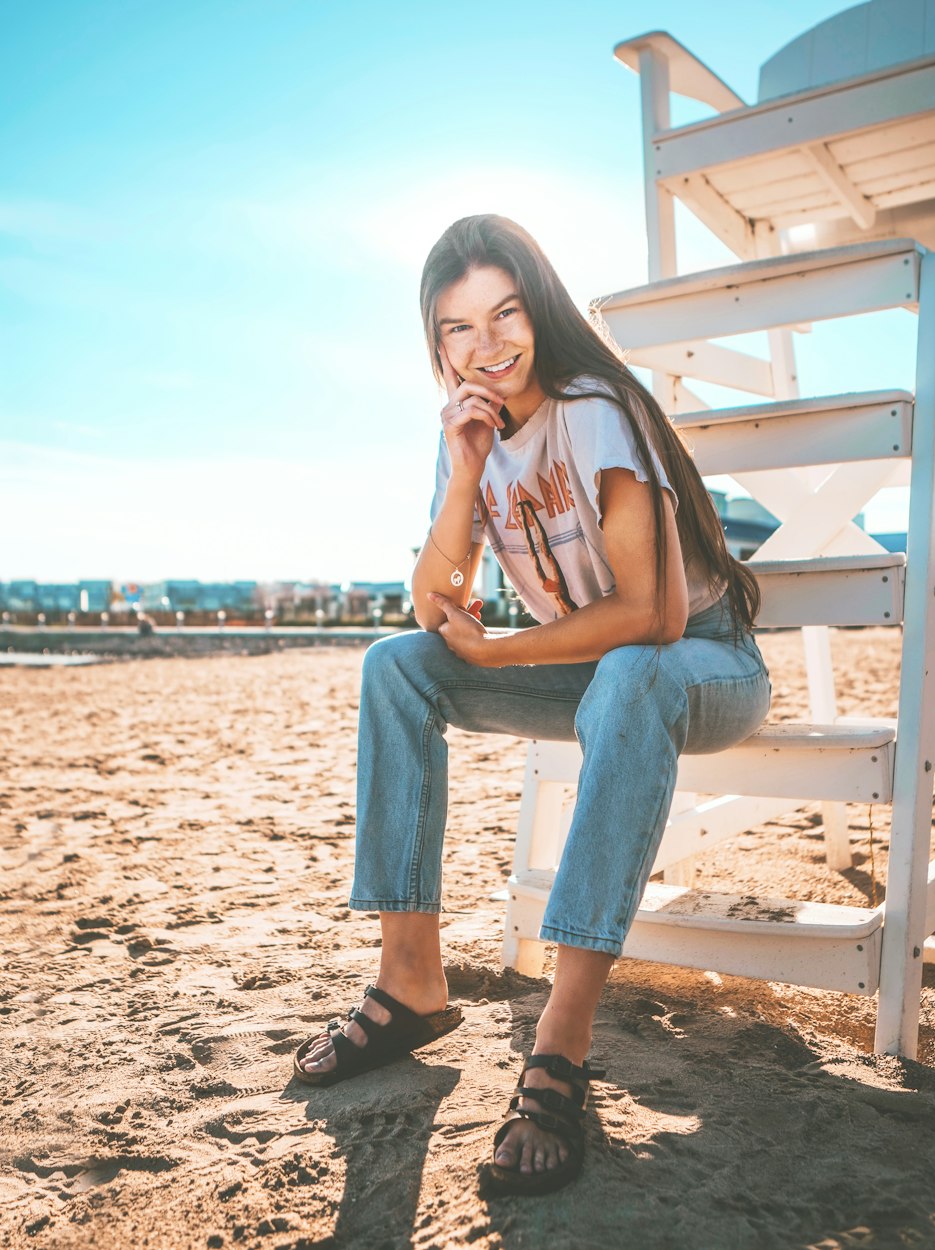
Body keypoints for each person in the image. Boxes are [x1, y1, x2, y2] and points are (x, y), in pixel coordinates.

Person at [292, 215, 771, 1196]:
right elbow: (430, 607)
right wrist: (467, 470)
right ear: (435, 346)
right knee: (395, 667)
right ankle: (410, 982)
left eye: (505, 312)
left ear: (538, 308)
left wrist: (505, 648)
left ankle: (562, 1037)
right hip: (595, 671)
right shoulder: (468, 433)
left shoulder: (596, 406)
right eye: (458, 328)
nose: (488, 344)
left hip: (704, 665)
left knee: (634, 672)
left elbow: (652, 613)